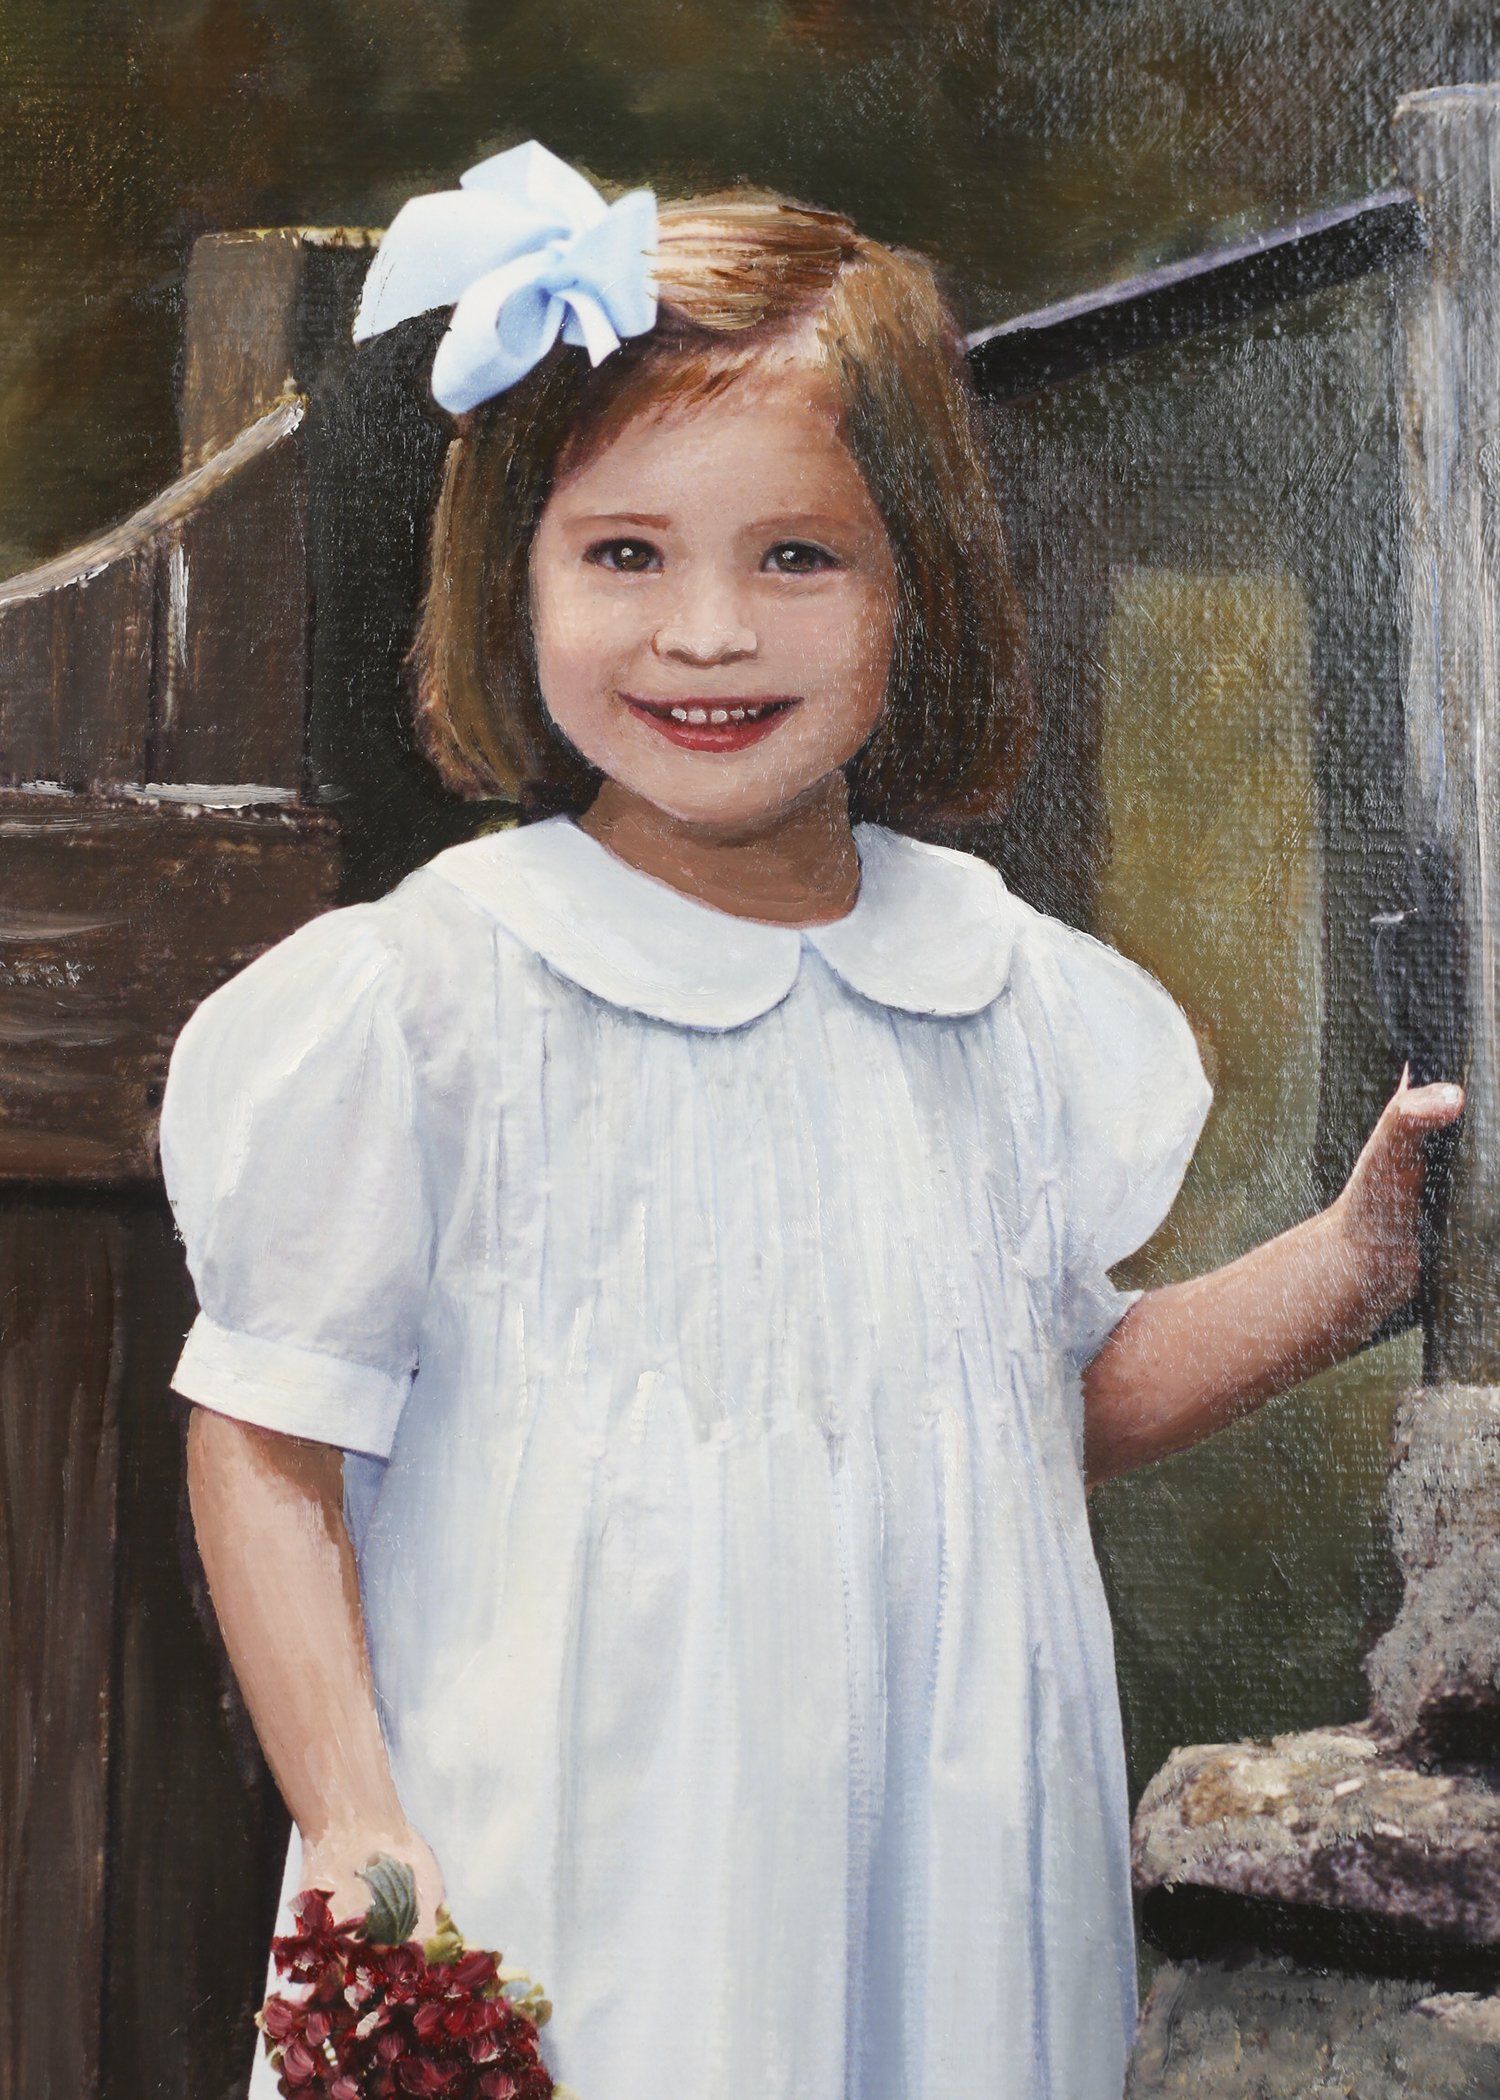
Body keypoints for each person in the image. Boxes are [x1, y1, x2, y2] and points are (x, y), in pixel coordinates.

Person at [159, 142, 1464, 2100]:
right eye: (626, 553)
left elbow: (1042, 1401)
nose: (708, 633)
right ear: (510, 574)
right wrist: (360, 1823)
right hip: (569, 1840)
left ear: (916, 582)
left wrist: (1349, 1265)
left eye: (796, 556)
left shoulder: (1003, 998)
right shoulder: (433, 1005)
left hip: (932, 1866)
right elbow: (263, 1443)